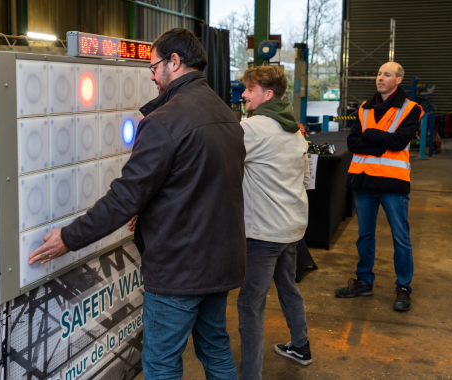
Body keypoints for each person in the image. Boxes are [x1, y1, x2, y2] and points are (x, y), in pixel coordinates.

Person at [29, 28, 246, 379]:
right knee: (216, 349)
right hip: (220, 261)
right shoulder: (224, 113)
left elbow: (123, 197)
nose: (150, 74)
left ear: (174, 62)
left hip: (180, 270)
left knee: (161, 364)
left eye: (153, 65)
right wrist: (149, 210)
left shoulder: (165, 122)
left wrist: (68, 238)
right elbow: (200, 183)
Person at [237, 65, 312, 378]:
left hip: (264, 233)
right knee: (287, 287)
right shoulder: (295, 129)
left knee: (249, 305)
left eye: (249, 90)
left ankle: (250, 375)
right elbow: (306, 178)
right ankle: (300, 345)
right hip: (292, 228)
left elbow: (217, 160)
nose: (243, 95)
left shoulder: (252, 128)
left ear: (267, 94)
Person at [335, 62, 423, 312]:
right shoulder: (364, 107)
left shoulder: (411, 109)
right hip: (364, 181)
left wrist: (369, 135)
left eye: (387, 74)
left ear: (398, 80)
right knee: (365, 236)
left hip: (392, 183)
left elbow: (398, 141)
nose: (380, 78)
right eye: (378, 73)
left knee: (400, 238)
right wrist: (381, 144)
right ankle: (364, 281)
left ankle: (403, 287)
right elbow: (352, 142)